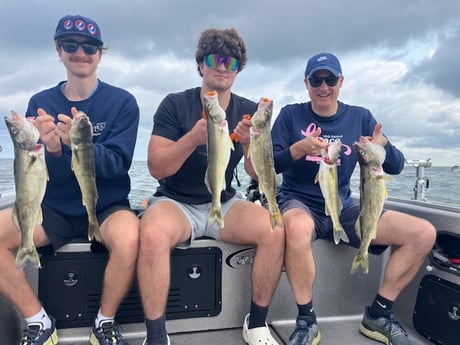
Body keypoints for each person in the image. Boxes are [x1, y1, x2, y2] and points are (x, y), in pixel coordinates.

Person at [271, 52, 437, 345]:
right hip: (298, 202)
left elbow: (396, 166)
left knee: (423, 233)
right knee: (296, 227)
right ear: (306, 84)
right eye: (317, 80)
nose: (324, 87)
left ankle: (379, 315)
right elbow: (270, 165)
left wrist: (383, 145)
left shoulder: (360, 117)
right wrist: (298, 149)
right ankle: (306, 320)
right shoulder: (289, 114)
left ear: (341, 81)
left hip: (344, 207)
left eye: (330, 79)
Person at [137, 28, 285, 345]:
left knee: (275, 229)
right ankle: (156, 335)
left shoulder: (250, 111)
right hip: (176, 202)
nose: (222, 66)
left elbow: (257, 175)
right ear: (201, 64)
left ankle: (257, 324)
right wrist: (192, 137)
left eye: (230, 62)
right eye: (215, 59)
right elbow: (156, 167)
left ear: (238, 69)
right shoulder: (174, 105)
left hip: (224, 201)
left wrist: (249, 145)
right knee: (151, 234)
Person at [0, 14, 140, 345]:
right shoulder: (41, 102)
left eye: (89, 47)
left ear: (100, 54)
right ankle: (38, 321)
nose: (81, 53)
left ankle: (104, 322)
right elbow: (37, 168)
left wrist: (77, 143)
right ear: (58, 51)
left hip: (105, 205)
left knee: (131, 239)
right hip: (56, 207)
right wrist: (52, 148)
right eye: (70, 45)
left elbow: (118, 165)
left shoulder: (123, 102)